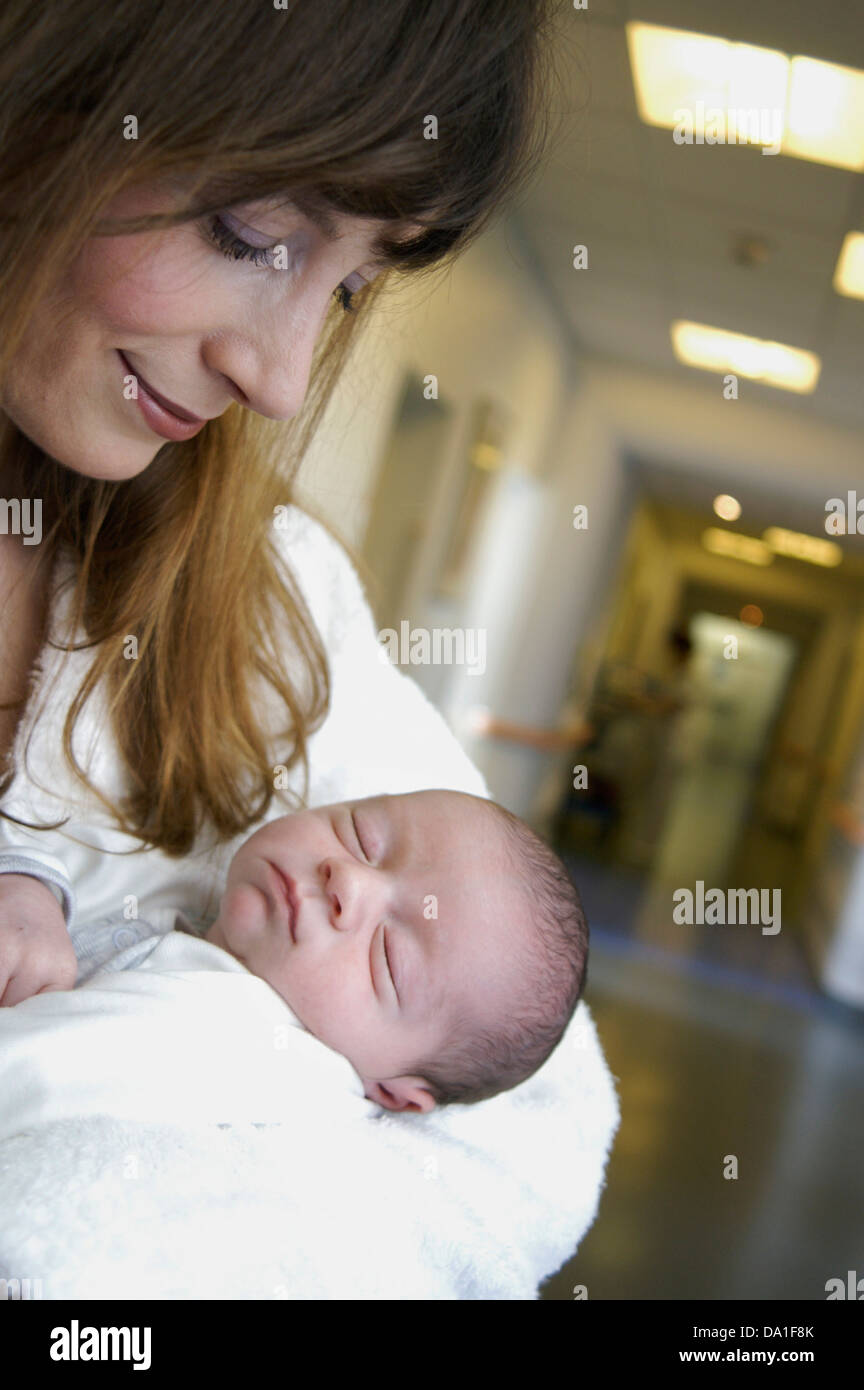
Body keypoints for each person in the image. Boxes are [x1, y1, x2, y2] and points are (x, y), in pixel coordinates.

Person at [0, 2, 557, 997]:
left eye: (349, 290)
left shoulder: (278, 597)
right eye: (249, 230)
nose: (284, 384)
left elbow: (505, 1051)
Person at [0, 788, 589, 1111]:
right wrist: (29, 886)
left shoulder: (240, 1042)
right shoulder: (196, 888)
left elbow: (31, 1073)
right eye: (363, 835)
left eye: (388, 957)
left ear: (392, 1091)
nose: (348, 880)